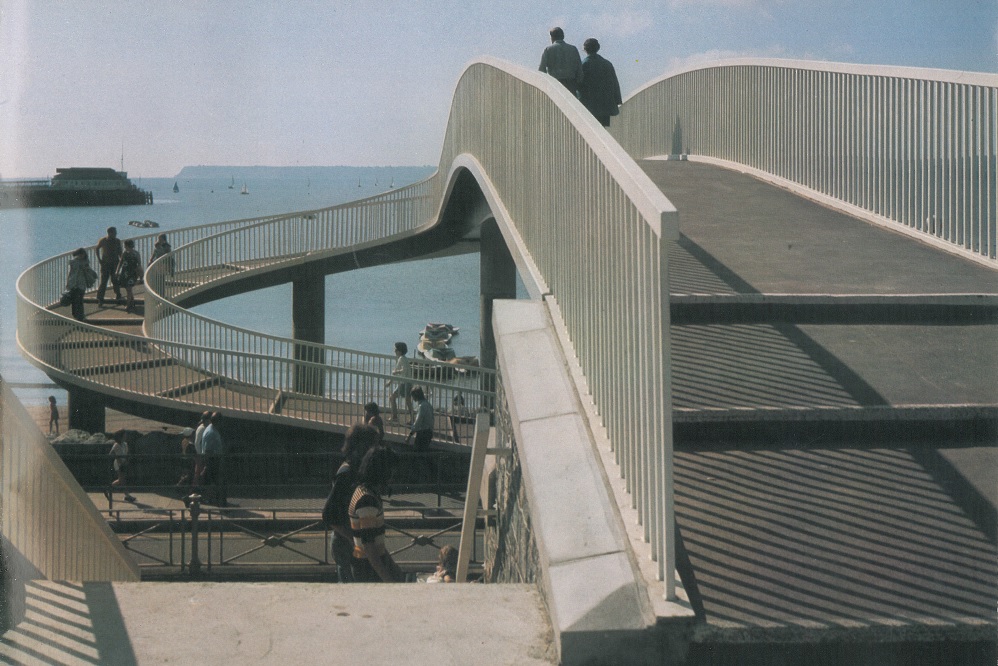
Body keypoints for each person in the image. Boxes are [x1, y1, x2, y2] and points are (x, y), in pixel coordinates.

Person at [322, 424, 379, 583]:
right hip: (345, 543)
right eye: (373, 444)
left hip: (349, 541)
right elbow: (328, 515)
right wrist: (353, 538)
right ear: (361, 445)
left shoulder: (355, 468)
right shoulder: (346, 473)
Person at [348, 447, 403, 582]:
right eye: (392, 472)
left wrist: (392, 565)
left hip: (365, 564)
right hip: (369, 569)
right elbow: (369, 547)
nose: (393, 477)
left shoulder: (362, 490)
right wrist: (388, 579)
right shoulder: (368, 501)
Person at [578, 38, 622, 127]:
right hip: (605, 104)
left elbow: (579, 83)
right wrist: (617, 99)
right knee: (602, 128)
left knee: (589, 129)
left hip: (589, 105)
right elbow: (614, 83)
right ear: (598, 48)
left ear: (585, 49)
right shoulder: (607, 64)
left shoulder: (584, 64)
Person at [538, 27, 582, 94]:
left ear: (552, 37)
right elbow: (579, 69)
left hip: (555, 84)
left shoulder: (548, 49)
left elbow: (541, 69)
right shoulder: (573, 49)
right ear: (563, 36)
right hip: (571, 84)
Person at [200, 411, 227, 506]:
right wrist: (207, 466)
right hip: (212, 461)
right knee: (215, 482)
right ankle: (218, 502)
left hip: (214, 460)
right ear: (218, 422)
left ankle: (215, 500)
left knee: (214, 483)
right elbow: (207, 451)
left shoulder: (213, 429)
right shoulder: (211, 433)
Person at [95, 226, 123, 307]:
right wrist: (99, 260)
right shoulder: (103, 240)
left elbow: (120, 252)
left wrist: (121, 262)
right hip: (105, 264)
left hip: (115, 264)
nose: (116, 234)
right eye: (114, 232)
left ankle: (118, 295)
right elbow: (97, 248)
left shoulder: (117, 241)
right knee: (104, 281)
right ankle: (100, 299)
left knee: (115, 280)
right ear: (110, 233)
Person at [65, 248, 94, 321]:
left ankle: (79, 315)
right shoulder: (76, 262)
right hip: (76, 283)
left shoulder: (82, 262)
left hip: (79, 283)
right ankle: (78, 315)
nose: (81, 256)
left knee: (79, 300)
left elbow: (71, 273)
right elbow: (71, 273)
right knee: (76, 300)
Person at [388, 342, 413, 424]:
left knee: (392, 397)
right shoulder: (404, 358)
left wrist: (396, 372)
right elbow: (398, 371)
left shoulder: (401, 358)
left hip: (404, 383)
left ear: (399, 350)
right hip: (407, 382)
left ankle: (395, 417)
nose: (394, 351)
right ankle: (412, 419)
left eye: (395, 349)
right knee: (408, 401)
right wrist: (390, 381)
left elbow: (403, 370)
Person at [115, 239, 142, 313]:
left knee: (129, 289)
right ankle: (132, 302)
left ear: (127, 245)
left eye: (125, 245)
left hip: (132, 273)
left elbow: (139, 265)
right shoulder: (124, 253)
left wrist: (140, 276)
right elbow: (120, 263)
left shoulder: (136, 254)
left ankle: (128, 305)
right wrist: (117, 271)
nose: (124, 247)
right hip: (125, 273)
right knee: (128, 289)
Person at [108, 431, 136, 503]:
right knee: (122, 480)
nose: (125, 437)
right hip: (118, 464)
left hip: (124, 462)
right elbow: (114, 455)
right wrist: (121, 463)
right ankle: (127, 496)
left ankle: (109, 488)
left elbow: (126, 454)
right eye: (124, 436)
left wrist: (127, 461)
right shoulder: (116, 445)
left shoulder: (125, 444)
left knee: (121, 480)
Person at [405, 387, 434, 452]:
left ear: (415, 396)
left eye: (412, 396)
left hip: (424, 433)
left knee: (417, 451)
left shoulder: (422, 406)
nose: (412, 398)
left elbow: (417, 423)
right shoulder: (428, 404)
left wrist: (409, 436)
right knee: (423, 452)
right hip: (429, 432)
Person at [192, 411, 211, 487]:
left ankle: (199, 488)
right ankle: (195, 489)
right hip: (200, 455)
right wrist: (201, 455)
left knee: (201, 472)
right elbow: (197, 443)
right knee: (199, 473)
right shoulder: (202, 428)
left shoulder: (205, 427)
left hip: (201, 454)